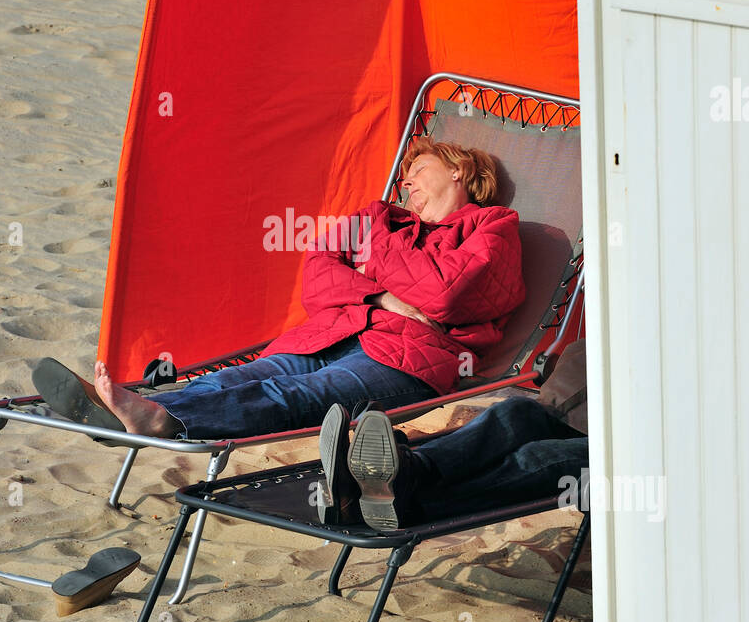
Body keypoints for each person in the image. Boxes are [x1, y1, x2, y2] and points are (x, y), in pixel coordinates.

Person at [32, 141, 525, 441]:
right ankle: (138, 414)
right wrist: (379, 297)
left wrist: (371, 257)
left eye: (419, 170)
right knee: (245, 375)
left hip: (408, 358)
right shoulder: (383, 217)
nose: (407, 182)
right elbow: (317, 273)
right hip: (336, 331)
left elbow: (445, 293)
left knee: (294, 393)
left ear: (457, 170)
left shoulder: (493, 227)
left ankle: (158, 420)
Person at [316, 340, 588, 531]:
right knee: (514, 411)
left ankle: (398, 503)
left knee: (539, 456)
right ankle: (409, 471)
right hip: (576, 410)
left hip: (621, 445)